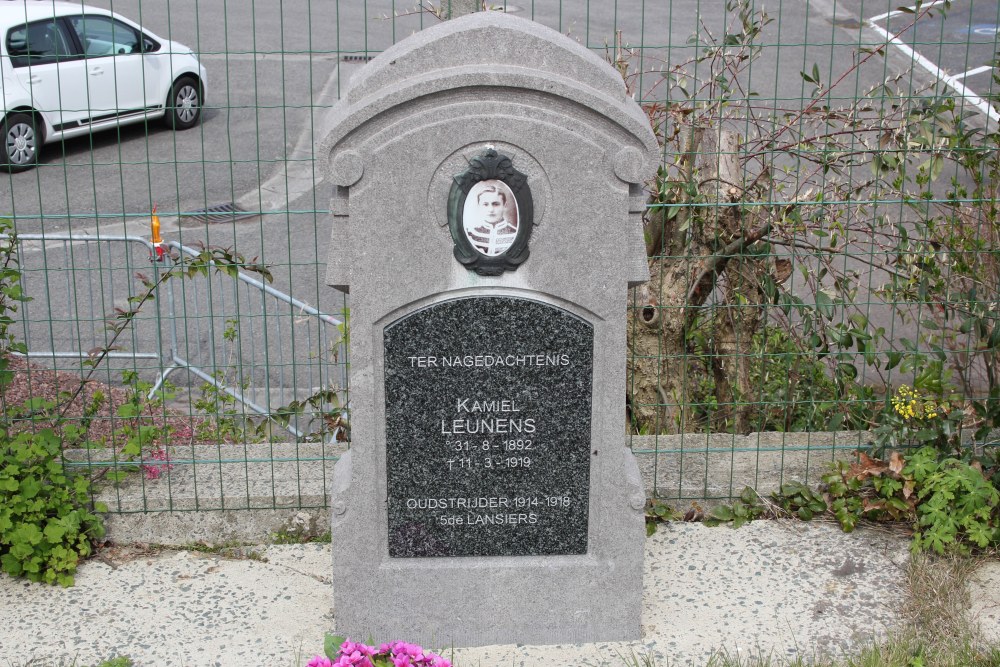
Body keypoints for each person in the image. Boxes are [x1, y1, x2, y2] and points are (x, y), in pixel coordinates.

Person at [464, 183, 517, 256]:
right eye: (485, 204)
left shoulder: (515, 233)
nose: (491, 209)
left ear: (505, 205)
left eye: (496, 204)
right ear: (479, 206)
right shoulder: (470, 234)